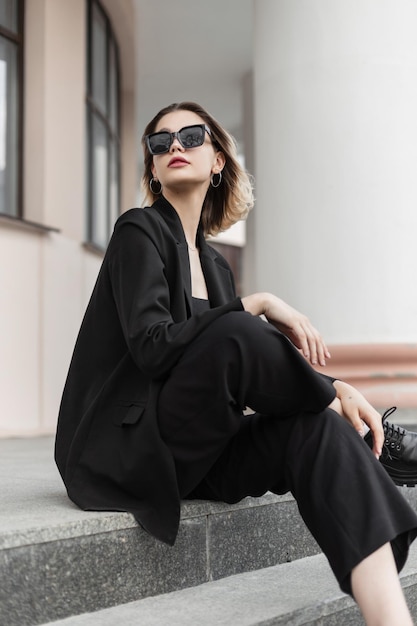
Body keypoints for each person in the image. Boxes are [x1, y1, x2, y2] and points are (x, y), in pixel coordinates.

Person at [55, 101, 417, 625]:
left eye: (191, 136)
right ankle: (357, 417)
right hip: (127, 448)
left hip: (193, 448)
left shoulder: (215, 265)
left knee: (317, 433)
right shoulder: (138, 232)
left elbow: (239, 379)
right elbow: (154, 347)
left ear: (219, 159)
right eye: (160, 143)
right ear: (153, 170)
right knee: (239, 329)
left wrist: (311, 382)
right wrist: (258, 305)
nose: (174, 146)